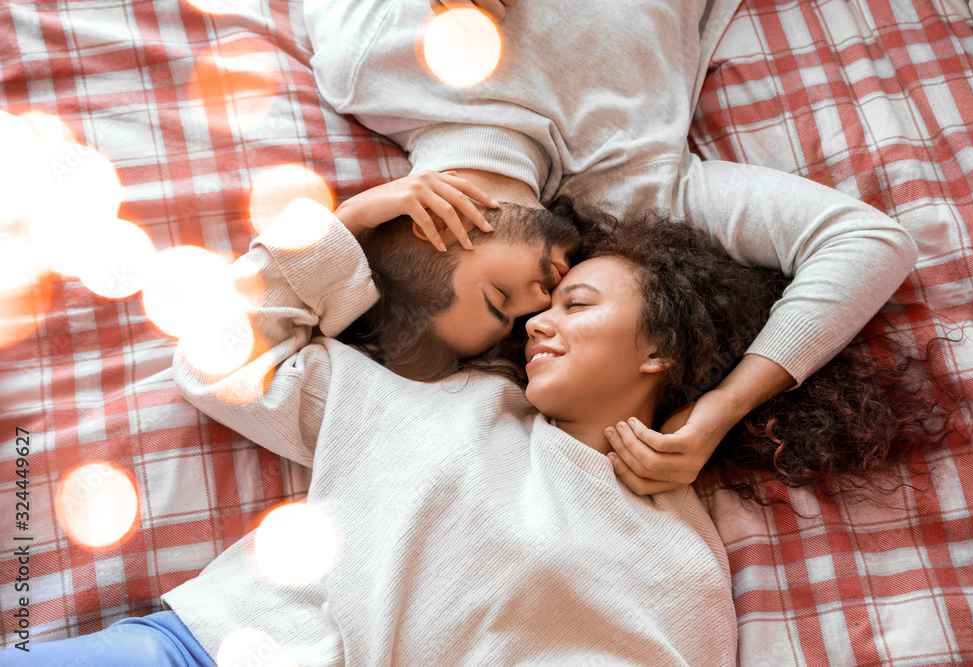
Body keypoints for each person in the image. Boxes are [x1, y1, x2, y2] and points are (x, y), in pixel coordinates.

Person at [3, 179, 739, 666]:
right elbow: (218, 358)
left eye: (576, 304)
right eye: (538, 310)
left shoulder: (681, 563)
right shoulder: (442, 403)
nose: (541, 323)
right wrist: (351, 222)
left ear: (660, 346)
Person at [302, 0, 921, 493]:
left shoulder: (371, 70)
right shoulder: (637, 199)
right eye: (519, 321)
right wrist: (721, 408)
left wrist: (347, 225)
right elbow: (868, 242)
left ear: (429, 228)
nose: (538, 306)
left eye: (500, 297)